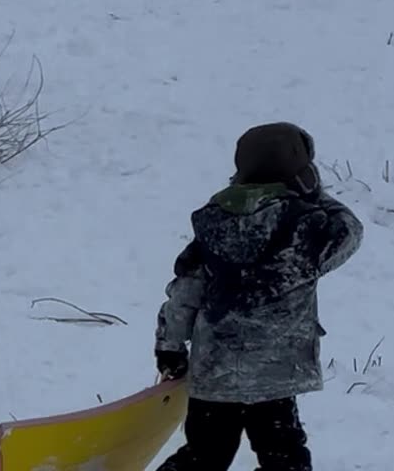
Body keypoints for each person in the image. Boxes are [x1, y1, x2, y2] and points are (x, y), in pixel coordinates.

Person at [153, 122, 363, 471]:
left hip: (215, 371)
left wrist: (170, 346)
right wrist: (313, 194)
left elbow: (186, 290)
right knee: (284, 459)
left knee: (204, 455)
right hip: (273, 376)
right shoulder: (307, 226)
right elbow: (350, 231)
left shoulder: (214, 222)